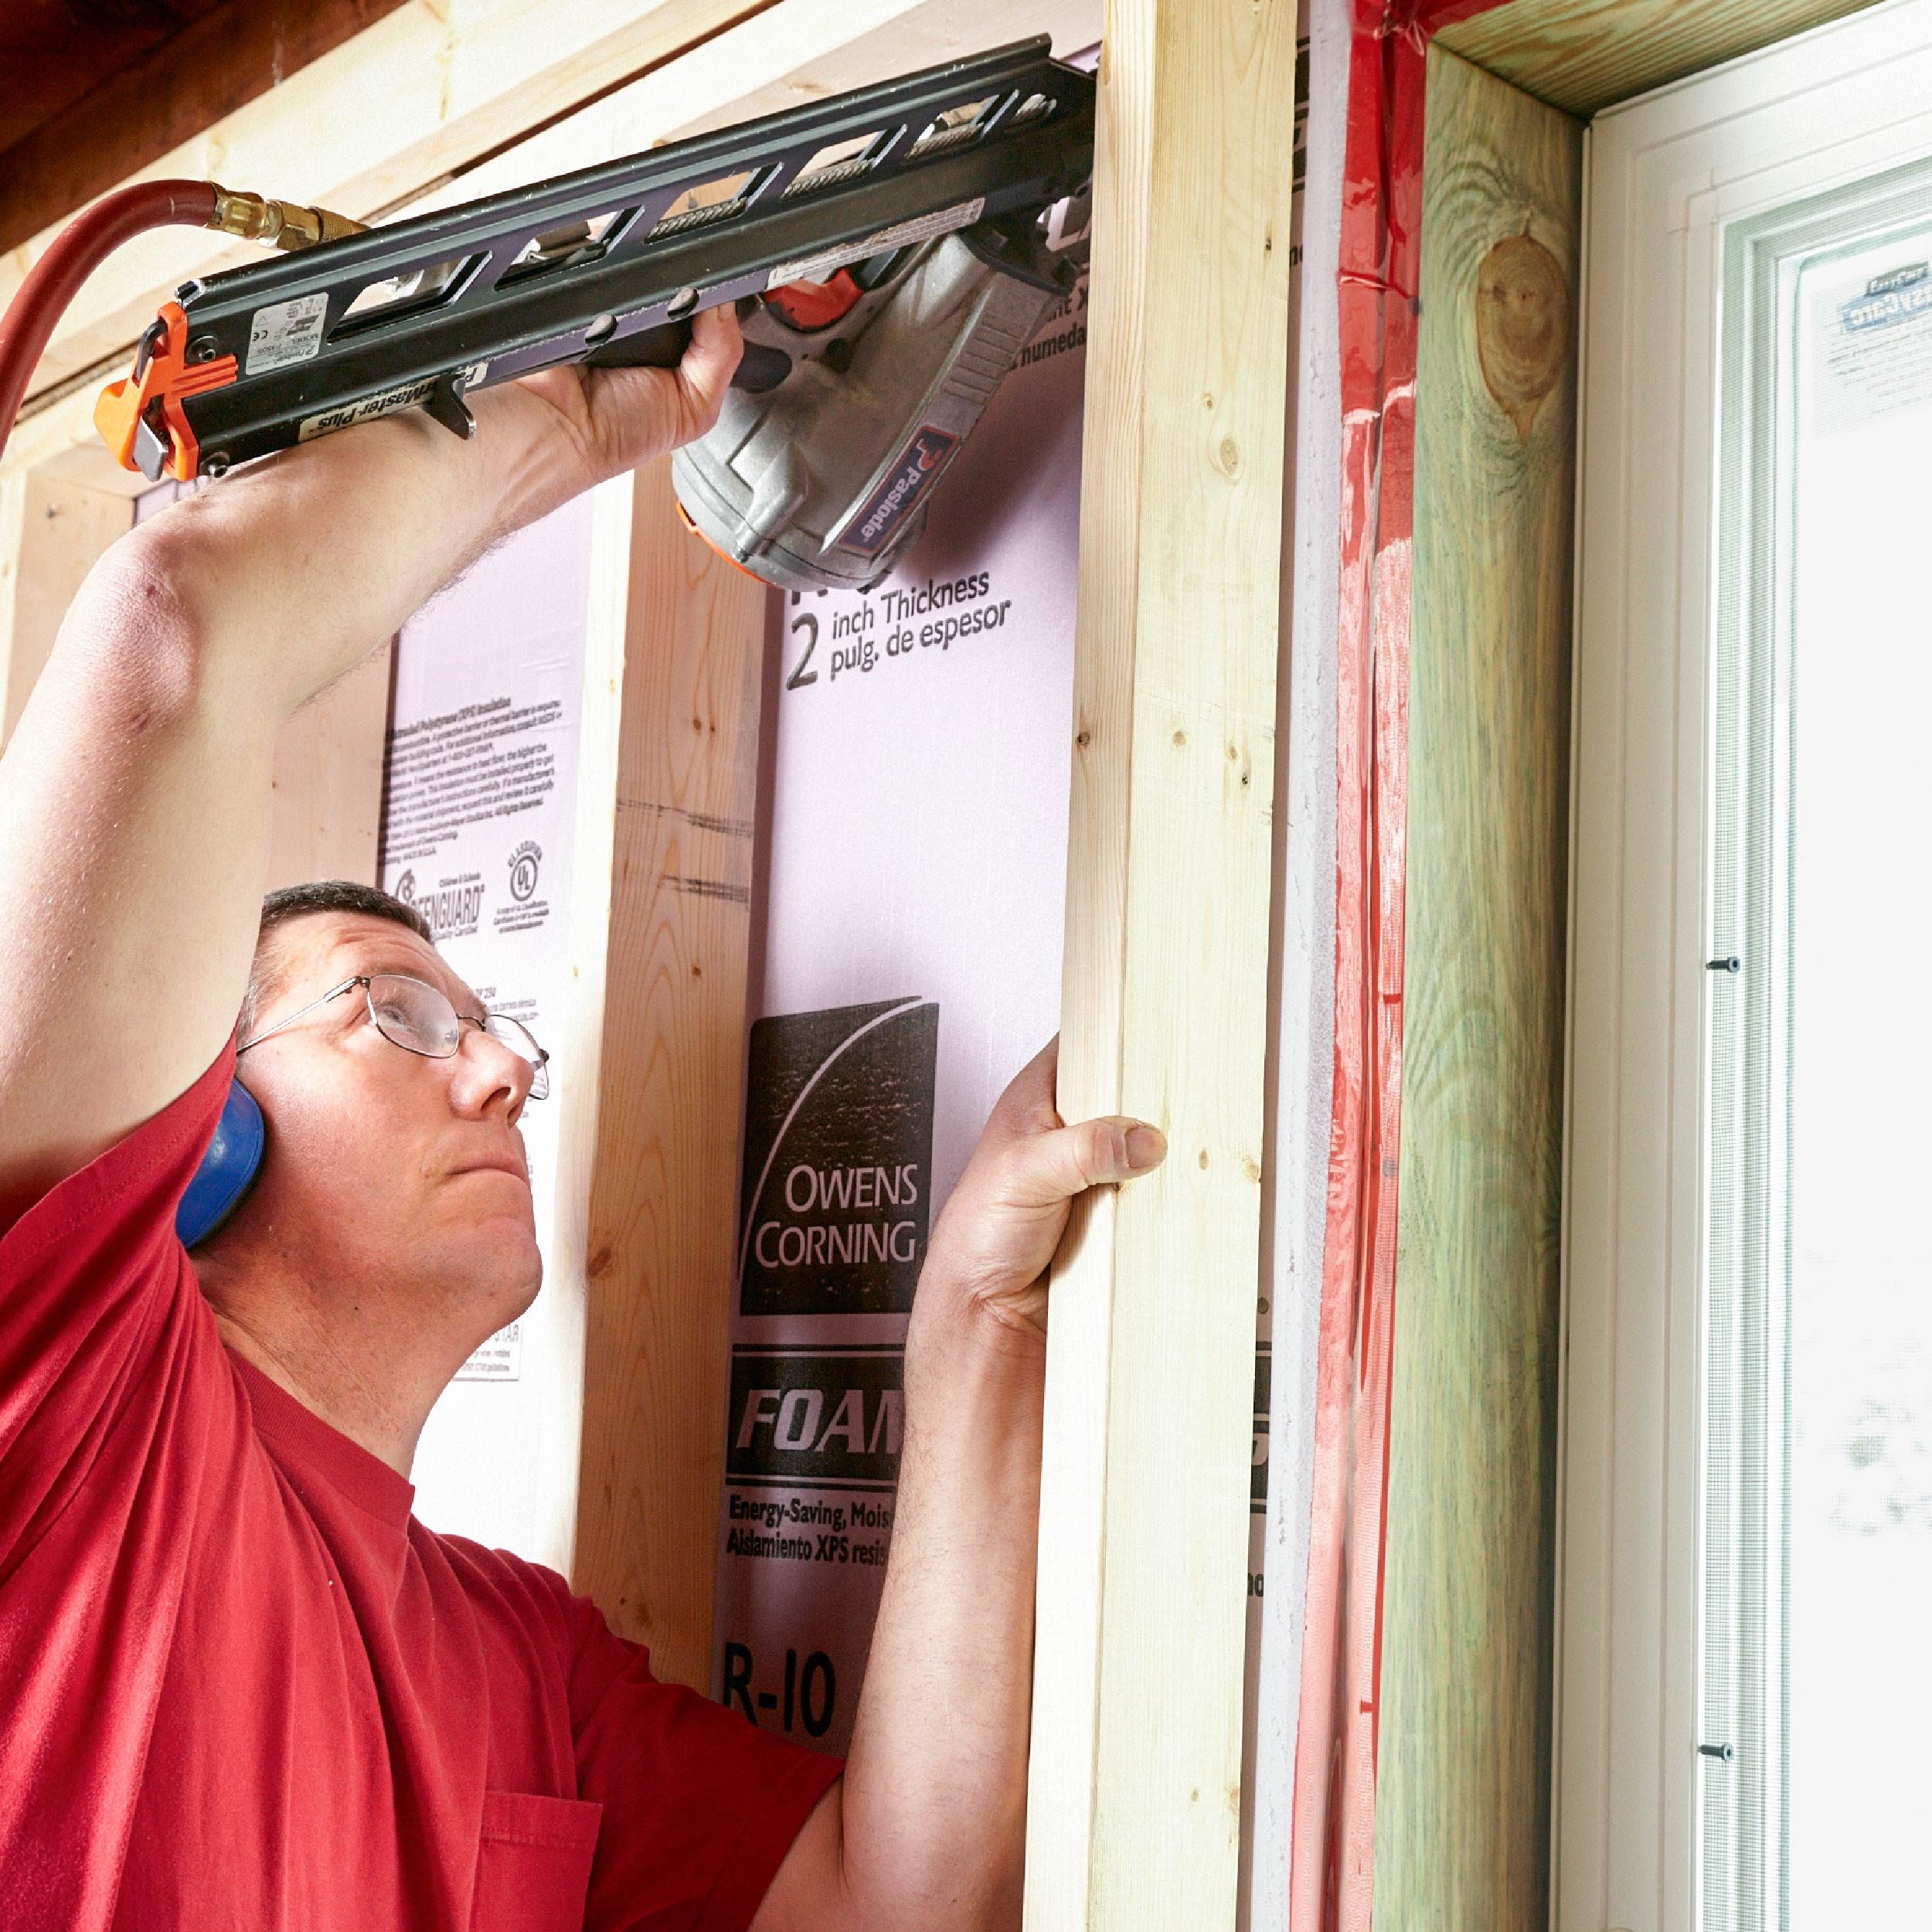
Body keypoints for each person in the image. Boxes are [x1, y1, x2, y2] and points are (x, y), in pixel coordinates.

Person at [0, 306, 1167, 1932]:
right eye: (390, 1011)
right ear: (207, 1128)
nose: (496, 1074)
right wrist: (577, 420)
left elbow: (895, 1898)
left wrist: (970, 1318)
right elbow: (167, 623)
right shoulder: (63, 1415)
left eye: (490, 1032)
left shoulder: (520, 1661)